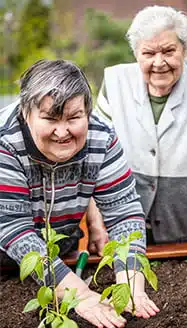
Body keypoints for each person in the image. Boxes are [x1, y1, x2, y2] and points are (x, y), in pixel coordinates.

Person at [0, 59, 159, 328]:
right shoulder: (6, 141)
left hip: (62, 251)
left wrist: (130, 281)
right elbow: (14, 229)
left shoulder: (102, 137)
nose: (62, 132)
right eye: (50, 118)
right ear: (26, 113)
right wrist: (80, 294)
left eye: (74, 118)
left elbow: (124, 213)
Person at [94, 5, 187, 259]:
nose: (159, 62)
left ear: (184, 50)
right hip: (125, 239)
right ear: (136, 54)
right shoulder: (114, 84)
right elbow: (93, 162)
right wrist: (97, 225)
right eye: (148, 53)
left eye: (168, 51)